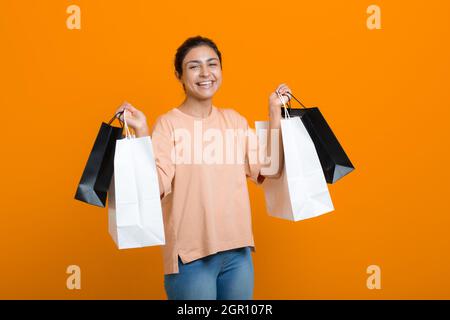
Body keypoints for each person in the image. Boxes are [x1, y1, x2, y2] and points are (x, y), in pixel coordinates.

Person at [115, 36, 291, 300]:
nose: (206, 73)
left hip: (238, 254)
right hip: (190, 258)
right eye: (194, 66)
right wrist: (141, 133)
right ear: (179, 75)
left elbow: (270, 169)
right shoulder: (168, 125)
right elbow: (154, 187)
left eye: (212, 64)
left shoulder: (234, 120)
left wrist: (274, 111)